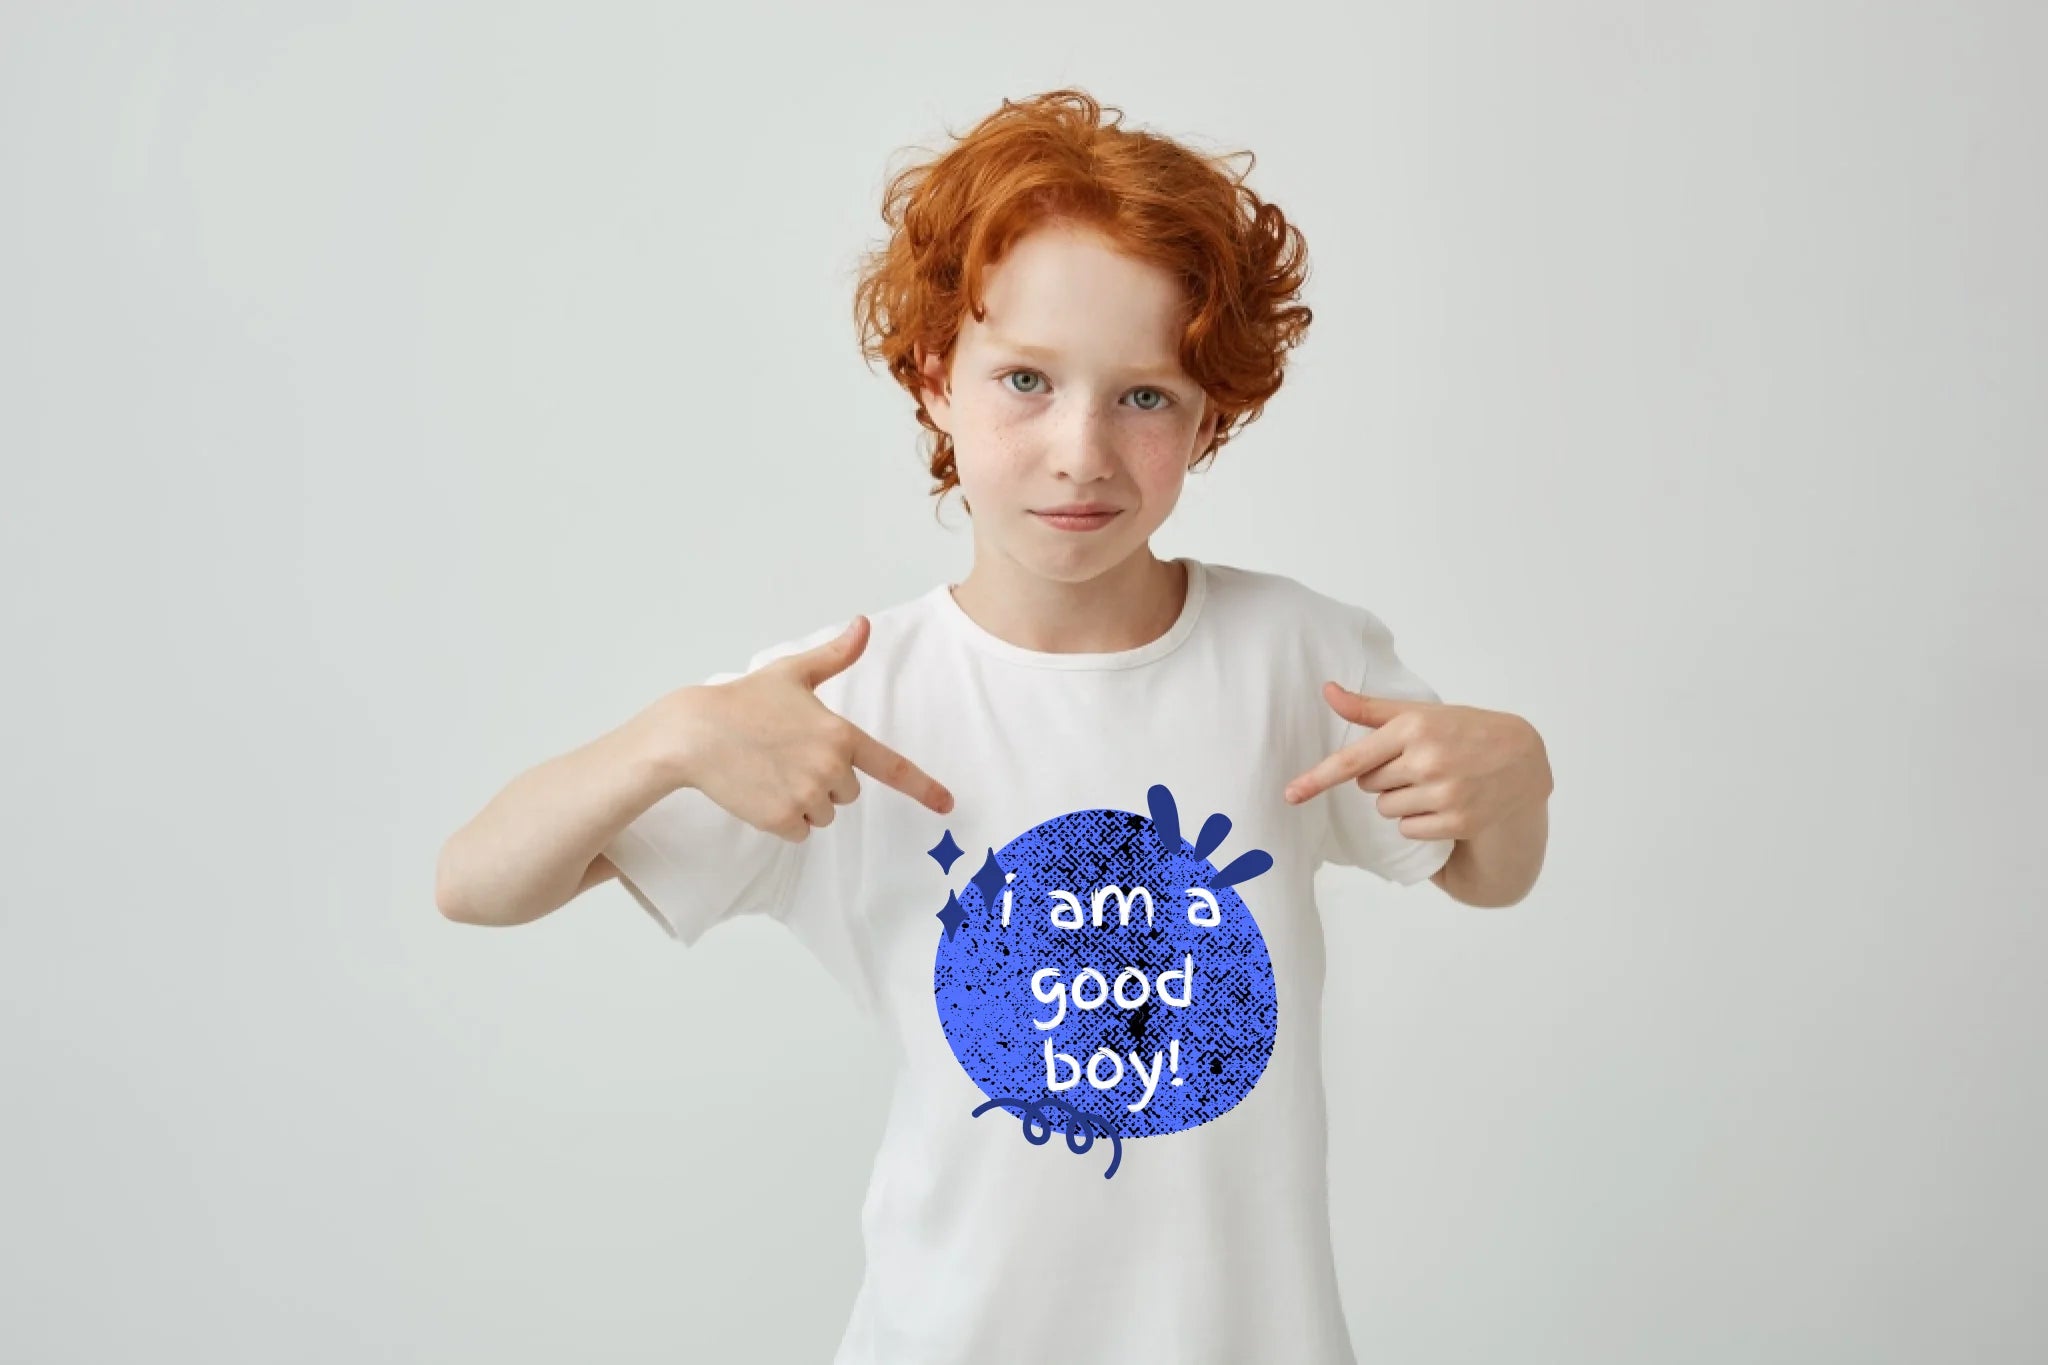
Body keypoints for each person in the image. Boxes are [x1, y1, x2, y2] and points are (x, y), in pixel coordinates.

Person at [436, 88, 1552, 1365]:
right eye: (1024, 380)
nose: (1080, 450)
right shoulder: (839, 704)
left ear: (1209, 414)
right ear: (932, 380)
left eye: (1145, 397)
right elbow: (475, 885)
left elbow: (1483, 873)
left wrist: (1517, 777)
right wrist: (670, 736)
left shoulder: (1296, 657)